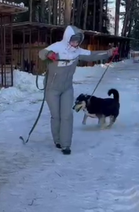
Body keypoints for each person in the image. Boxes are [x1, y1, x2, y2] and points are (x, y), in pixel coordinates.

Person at [38, 25, 114, 155]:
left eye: (78, 41)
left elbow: (92, 55)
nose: (76, 43)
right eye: (73, 40)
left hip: (67, 88)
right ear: (68, 38)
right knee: (56, 116)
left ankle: (66, 145)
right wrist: (50, 54)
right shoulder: (57, 47)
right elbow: (41, 53)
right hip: (52, 89)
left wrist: (108, 53)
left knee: (67, 115)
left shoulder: (77, 51)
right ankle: (57, 140)